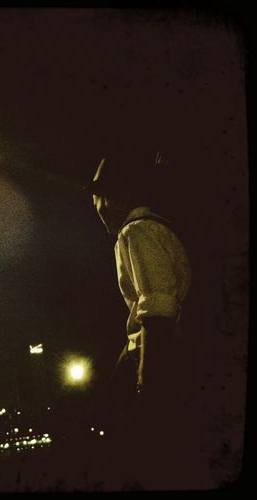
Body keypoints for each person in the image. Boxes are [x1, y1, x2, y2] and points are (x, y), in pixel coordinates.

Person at [88, 152, 210, 490]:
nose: (97, 206)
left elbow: (157, 313)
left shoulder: (136, 231)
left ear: (112, 196)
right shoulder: (161, 225)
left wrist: (146, 384)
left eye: (98, 195)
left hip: (161, 360)